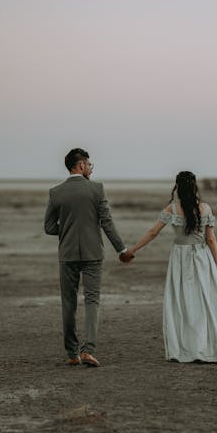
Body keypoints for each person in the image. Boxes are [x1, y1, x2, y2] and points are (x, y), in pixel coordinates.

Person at [127, 171, 217, 363]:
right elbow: (211, 239)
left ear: (178, 188)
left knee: (182, 302)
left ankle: (185, 348)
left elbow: (152, 232)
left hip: (180, 259)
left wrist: (133, 250)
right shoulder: (205, 208)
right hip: (202, 257)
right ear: (194, 186)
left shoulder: (172, 209)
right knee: (203, 302)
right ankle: (203, 348)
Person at [44, 148, 133, 367]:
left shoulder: (56, 192)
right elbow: (107, 222)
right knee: (92, 300)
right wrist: (121, 250)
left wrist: (67, 231)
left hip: (67, 254)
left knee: (69, 303)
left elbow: (48, 227)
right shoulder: (96, 189)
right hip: (93, 253)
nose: (91, 168)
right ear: (81, 165)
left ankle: (72, 353)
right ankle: (88, 350)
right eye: (89, 165)